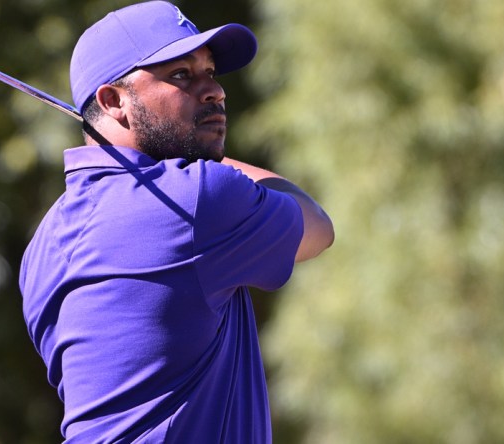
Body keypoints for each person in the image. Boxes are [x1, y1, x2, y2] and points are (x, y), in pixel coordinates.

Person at [18, 1, 334, 442]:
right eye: (182, 75)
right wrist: (216, 161)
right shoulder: (198, 198)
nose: (215, 91)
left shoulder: (42, 247)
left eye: (211, 72)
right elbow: (316, 226)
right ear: (113, 101)